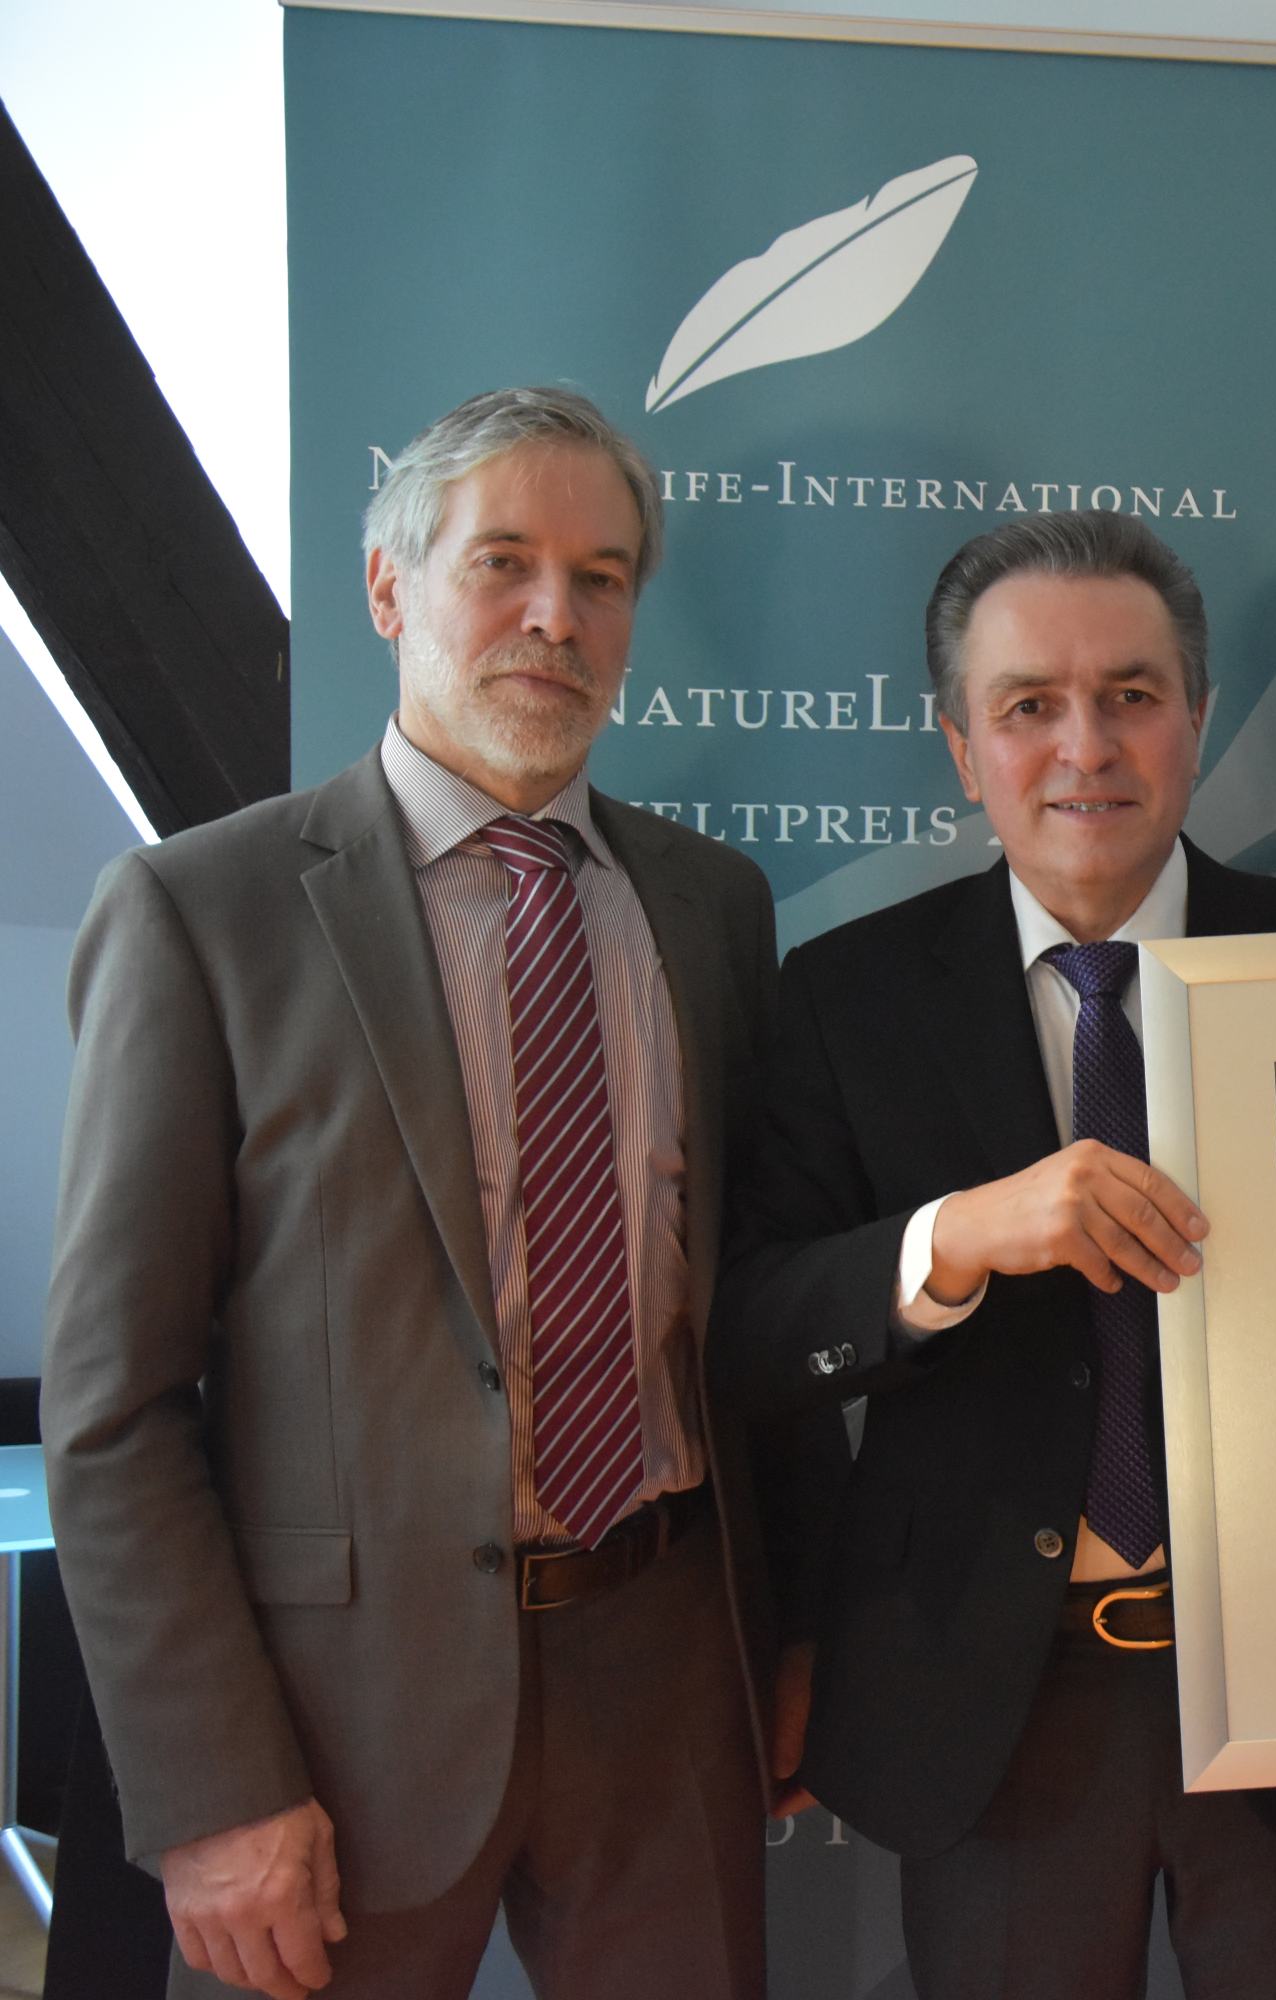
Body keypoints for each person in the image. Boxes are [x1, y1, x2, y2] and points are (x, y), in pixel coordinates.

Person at [42, 385, 800, 1999]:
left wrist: (784, 1645)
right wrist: (211, 1787)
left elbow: (745, 1305)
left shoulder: (713, 907)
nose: (555, 615)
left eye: (601, 578)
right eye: (502, 562)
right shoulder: (203, 914)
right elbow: (114, 1405)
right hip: (332, 1723)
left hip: (668, 1675)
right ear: (390, 590)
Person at [716, 510, 1276, 1999]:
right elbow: (753, 1330)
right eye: (1029, 705)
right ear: (962, 747)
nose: (1084, 746)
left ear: (1198, 717)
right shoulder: (844, 999)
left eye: (1131, 696)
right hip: (992, 1700)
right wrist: (950, 1241)